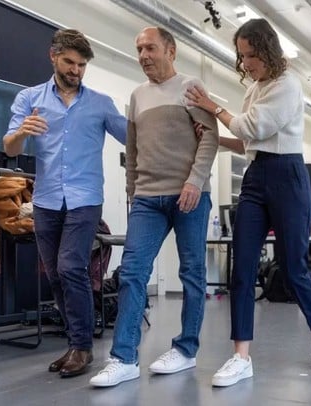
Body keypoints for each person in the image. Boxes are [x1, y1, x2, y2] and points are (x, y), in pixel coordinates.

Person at [185, 18, 311, 387]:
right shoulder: (254, 89)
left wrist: (212, 106)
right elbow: (250, 142)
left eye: (250, 54)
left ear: (267, 50)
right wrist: (215, 138)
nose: (245, 62)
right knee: (243, 266)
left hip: (288, 177)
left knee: (292, 265)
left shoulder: (288, 86)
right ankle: (241, 356)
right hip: (256, 177)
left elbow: (252, 128)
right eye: (241, 56)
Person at [89, 26, 218, 387]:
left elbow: (210, 139)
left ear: (171, 51)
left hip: (189, 195)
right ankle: (124, 358)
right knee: (132, 273)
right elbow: (132, 149)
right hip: (148, 198)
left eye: (151, 48)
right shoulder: (137, 96)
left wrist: (195, 181)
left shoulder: (191, 88)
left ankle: (186, 349)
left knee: (192, 273)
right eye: (139, 49)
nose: (144, 55)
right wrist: (132, 190)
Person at [3, 28, 126, 378]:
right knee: (56, 274)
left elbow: (131, 135)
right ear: (53, 57)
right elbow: (10, 147)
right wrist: (22, 132)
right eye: (69, 62)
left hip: (85, 199)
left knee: (71, 266)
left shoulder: (100, 103)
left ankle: (83, 347)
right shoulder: (29, 99)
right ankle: (74, 344)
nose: (75, 70)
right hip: (45, 200)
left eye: (82, 65)